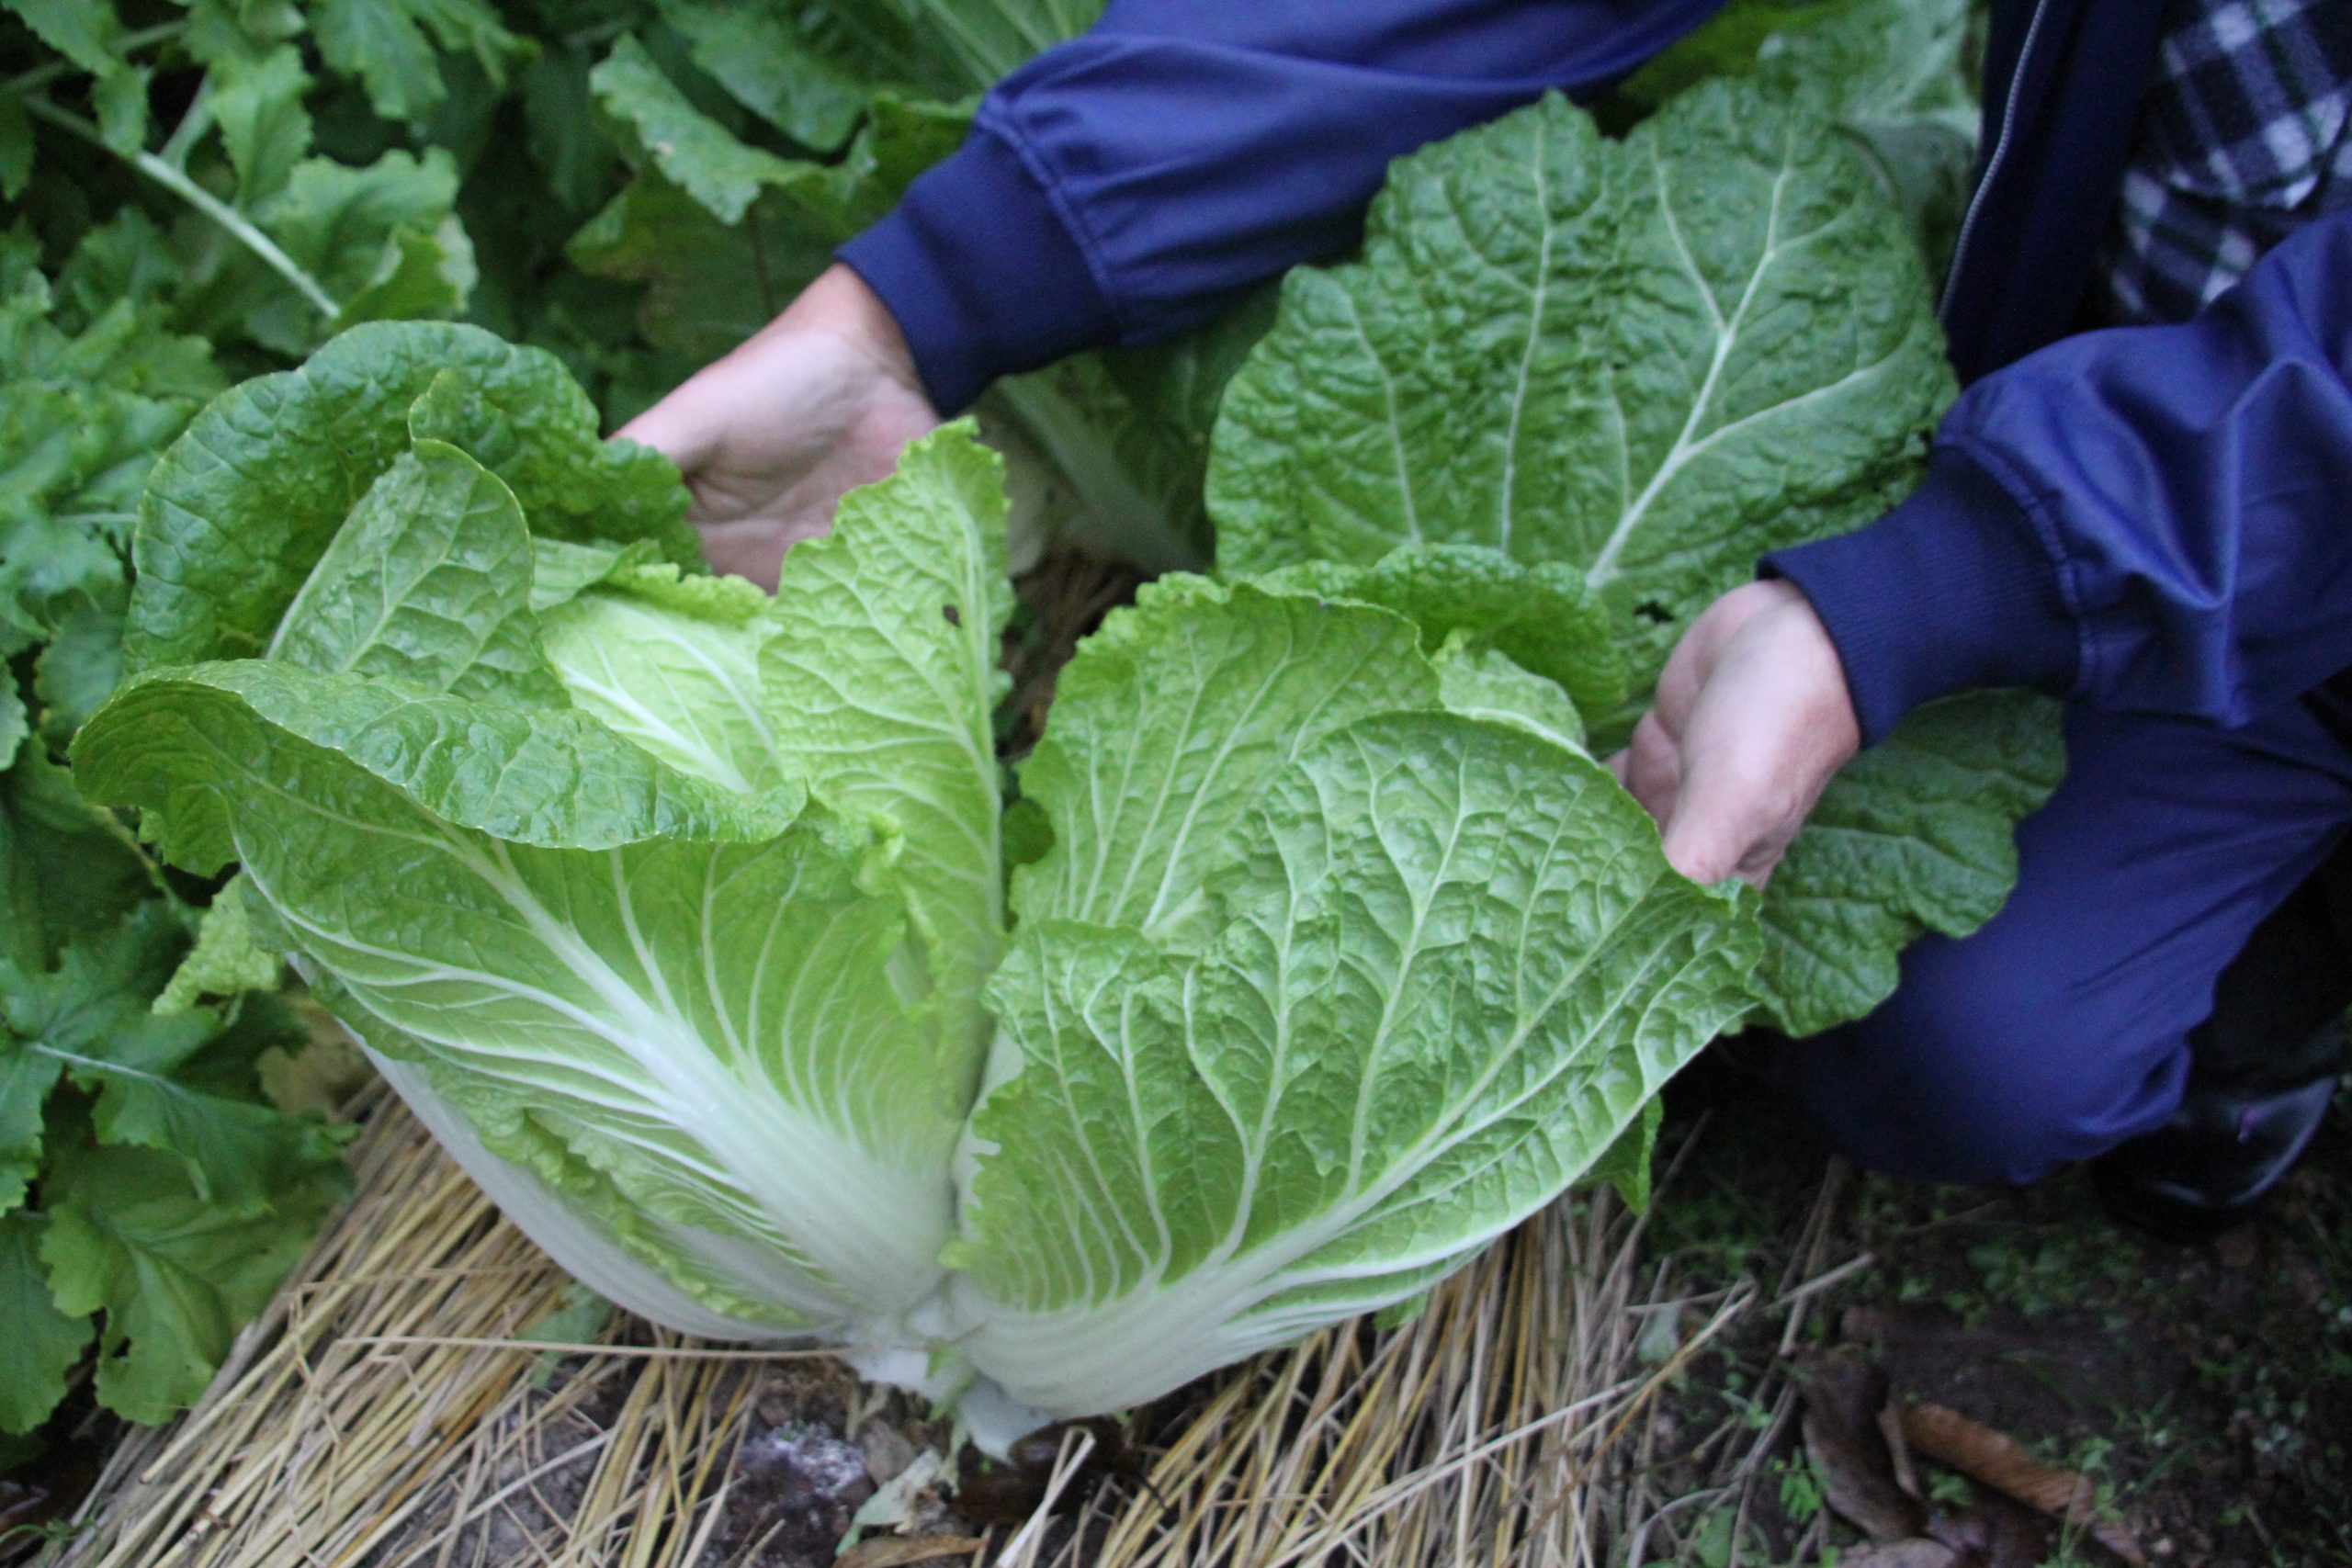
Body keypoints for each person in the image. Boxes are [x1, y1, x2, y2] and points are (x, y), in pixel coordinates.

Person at [620, 0, 2352, 1239]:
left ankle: (2283, 1005)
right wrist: (918, 302)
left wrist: (1936, 588)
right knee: (1910, 1015)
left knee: (1982, 1056)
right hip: (2107, 403)